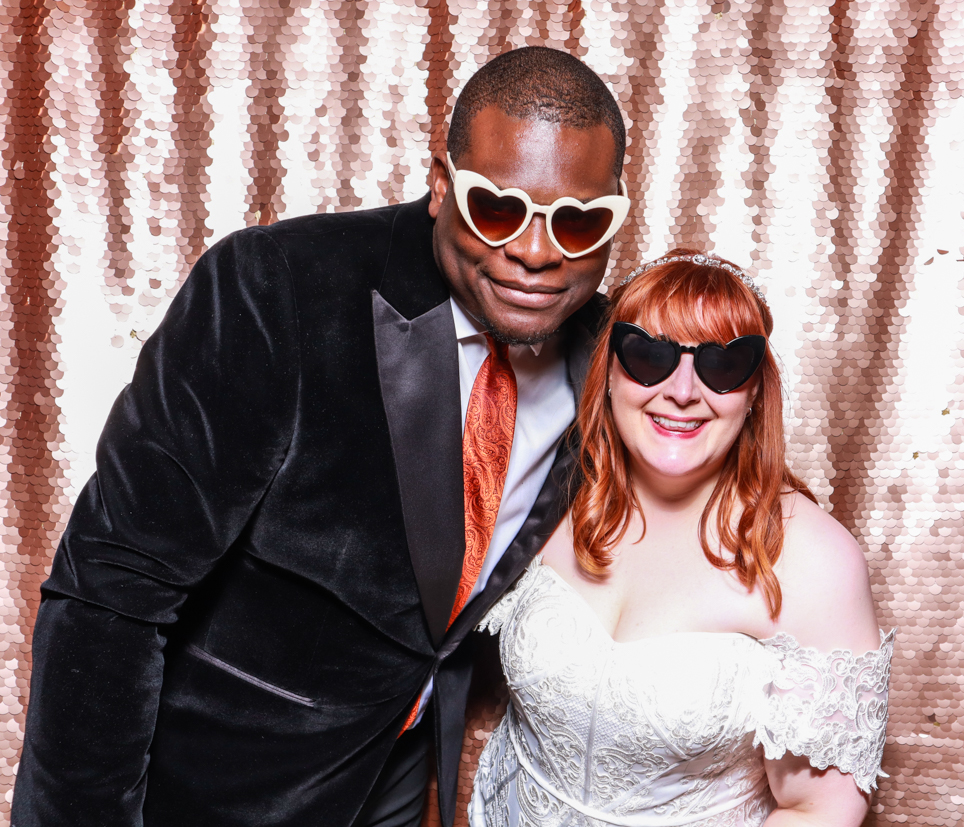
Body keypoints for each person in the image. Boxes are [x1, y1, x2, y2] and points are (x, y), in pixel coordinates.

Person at [14, 47, 631, 827]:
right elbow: (111, 590)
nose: (537, 254)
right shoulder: (276, 291)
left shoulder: (614, 357)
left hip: (396, 789)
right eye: (498, 208)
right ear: (441, 188)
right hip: (207, 795)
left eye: (578, 221)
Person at [468, 251, 894, 827]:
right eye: (649, 355)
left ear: (754, 392)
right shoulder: (549, 489)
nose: (683, 390)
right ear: (609, 371)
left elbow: (819, 809)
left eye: (723, 365)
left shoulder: (816, 561)